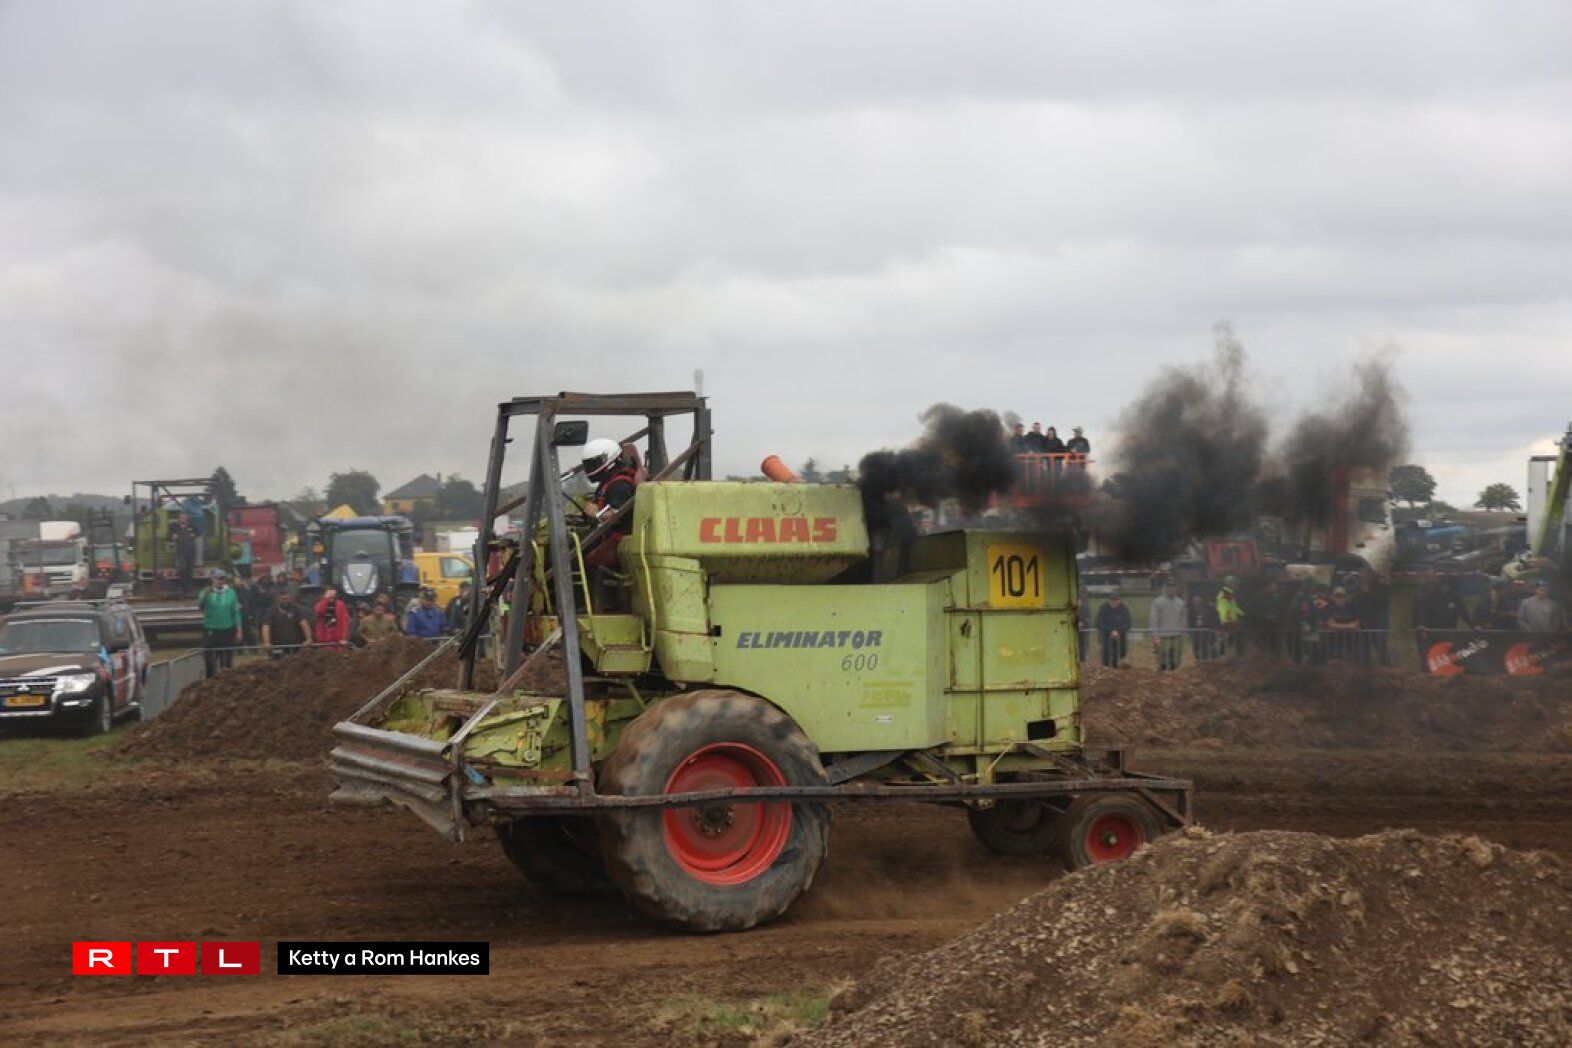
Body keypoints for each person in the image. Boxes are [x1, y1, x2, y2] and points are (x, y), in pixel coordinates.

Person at [197, 568, 243, 677]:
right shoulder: (206, 592)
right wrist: (205, 597)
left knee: (226, 661)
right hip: (211, 630)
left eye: (222, 578)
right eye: (217, 578)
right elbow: (200, 607)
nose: (220, 581)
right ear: (212, 579)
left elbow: (235, 612)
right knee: (210, 660)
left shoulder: (231, 592)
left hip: (227, 630)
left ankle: (226, 680)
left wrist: (239, 630)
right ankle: (210, 680)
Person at [1148, 578, 1186, 671]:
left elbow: (1183, 619)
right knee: (1163, 663)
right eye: (1169, 586)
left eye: (1173, 586)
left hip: (1176, 636)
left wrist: (1182, 632)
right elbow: (1153, 620)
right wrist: (1155, 636)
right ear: (1165, 587)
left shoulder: (1180, 602)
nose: (1171, 589)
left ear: (1177, 588)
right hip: (1163, 636)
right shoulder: (1157, 602)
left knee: (1175, 663)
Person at [262, 588, 313, 657]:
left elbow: (304, 623)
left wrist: (309, 639)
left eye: (287, 599)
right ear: (278, 599)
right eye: (283, 599)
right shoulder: (272, 611)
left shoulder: (297, 609)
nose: (285, 601)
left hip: (296, 646)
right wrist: (266, 642)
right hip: (278, 646)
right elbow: (266, 627)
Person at [1322, 587, 1364, 663]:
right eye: (1337, 596)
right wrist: (1349, 626)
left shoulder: (1352, 606)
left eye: (1341, 596)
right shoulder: (1328, 607)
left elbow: (1357, 622)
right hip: (1333, 641)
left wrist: (1337, 626)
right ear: (1333, 597)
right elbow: (1329, 624)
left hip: (1350, 640)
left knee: (1351, 661)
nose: (1339, 598)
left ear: (1345, 597)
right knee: (1333, 662)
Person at [1095, 593, 1132, 668]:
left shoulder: (1123, 609)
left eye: (1116, 601)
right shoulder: (1103, 608)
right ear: (1109, 601)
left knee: (1118, 653)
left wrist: (1117, 631)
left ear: (1119, 601)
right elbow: (1098, 623)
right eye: (1112, 601)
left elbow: (1128, 623)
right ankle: (1105, 668)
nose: (1114, 603)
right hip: (1106, 635)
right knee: (1106, 652)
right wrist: (1111, 631)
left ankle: (1116, 668)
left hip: (1120, 636)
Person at [170, 509, 198, 595]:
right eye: (181, 517)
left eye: (184, 517)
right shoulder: (175, 526)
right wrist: (173, 536)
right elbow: (169, 536)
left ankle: (189, 588)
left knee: (190, 569)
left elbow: (198, 533)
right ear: (179, 518)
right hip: (181, 551)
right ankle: (182, 588)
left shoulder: (192, 525)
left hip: (191, 550)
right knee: (182, 569)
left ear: (187, 518)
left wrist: (194, 535)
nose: (183, 519)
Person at [1215, 576, 1244, 656]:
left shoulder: (1229, 593)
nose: (1236, 585)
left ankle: (1227, 654)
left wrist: (1242, 613)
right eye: (1234, 583)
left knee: (1229, 638)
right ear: (1229, 584)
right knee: (1226, 638)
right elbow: (1223, 608)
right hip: (1228, 621)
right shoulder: (1226, 594)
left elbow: (1233, 607)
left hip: (1230, 620)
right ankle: (1223, 655)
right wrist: (1227, 619)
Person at [1187, 593, 1219, 661]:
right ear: (1192, 601)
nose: (1197, 602)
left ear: (1202, 601)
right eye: (1195, 601)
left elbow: (1213, 621)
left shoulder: (1208, 609)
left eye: (1198, 601)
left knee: (1206, 653)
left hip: (1207, 636)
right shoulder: (1190, 611)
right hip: (1195, 636)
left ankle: (1206, 661)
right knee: (1195, 653)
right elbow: (1189, 623)